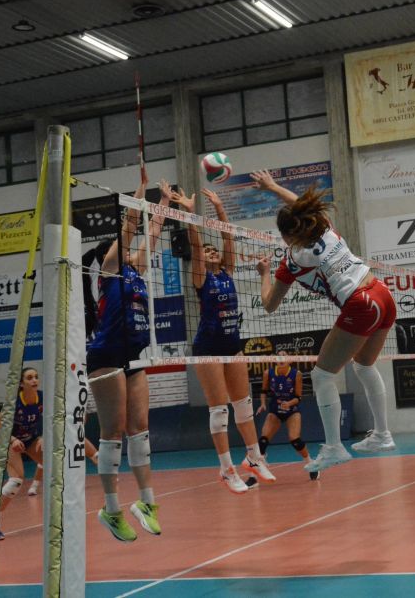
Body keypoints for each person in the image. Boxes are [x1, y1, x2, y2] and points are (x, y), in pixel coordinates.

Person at [252, 170, 396, 473]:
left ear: (286, 236)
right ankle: (382, 435)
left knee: (321, 376)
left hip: (360, 304)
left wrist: (264, 275)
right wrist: (273, 187)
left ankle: (334, 448)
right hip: (382, 294)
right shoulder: (325, 228)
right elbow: (301, 206)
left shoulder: (292, 262)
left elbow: (269, 305)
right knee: (363, 365)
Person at [170, 187, 276, 495]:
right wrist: (190, 212)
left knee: (244, 406)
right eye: (207, 251)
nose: (212, 251)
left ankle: (254, 457)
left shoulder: (227, 272)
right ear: (201, 259)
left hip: (233, 345)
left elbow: (228, 238)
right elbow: (194, 243)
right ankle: (226, 469)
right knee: (219, 411)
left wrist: (218, 206)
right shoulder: (201, 278)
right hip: (208, 348)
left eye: (213, 250)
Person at [83, 169, 170, 542]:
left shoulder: (137, 271)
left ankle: (147, 503)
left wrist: (164, 203)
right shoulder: (111, 270)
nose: (135, 252)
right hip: (106, 354)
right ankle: (111, 509)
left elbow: (152, 233)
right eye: (125, 249)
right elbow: (131, 227)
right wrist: (138, 195)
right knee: (113, 431)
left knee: (140, 429)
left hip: (133, 356)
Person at [0, 367, 43, 541]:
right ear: (21, 383)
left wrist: (44, 437)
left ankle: (61, 514)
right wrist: (12, 439)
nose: (34, 380)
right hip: (10, 440)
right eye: (29, 378)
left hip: (31, 439)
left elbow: (54, 419)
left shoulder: (42, 398)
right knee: (16, 480)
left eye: (36, 377)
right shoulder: (13, 403)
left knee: (57, 466)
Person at [255, 351, 318, 480]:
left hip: (292, 410)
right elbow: (263, 390)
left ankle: (310, 462)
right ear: (275, 360)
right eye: (279, 356)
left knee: (294, 439)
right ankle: (258, 466)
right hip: (275, 410)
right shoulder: (268, 373)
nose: (281, 358)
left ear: (290, 360)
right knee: (263, 439)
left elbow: (298, 397)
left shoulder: (296, 374)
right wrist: (262, 404)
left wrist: (288, 403)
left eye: (284, 356)